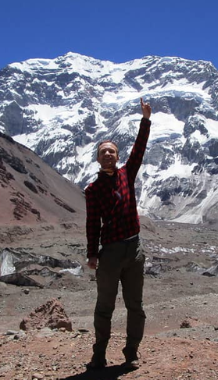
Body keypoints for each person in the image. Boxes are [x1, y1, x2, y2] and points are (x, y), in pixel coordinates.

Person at [85, 97, 152, 371]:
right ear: (98, 159)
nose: (109, 155)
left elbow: (139, 149)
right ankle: (99, 355)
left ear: (117, 155)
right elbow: (92, 223)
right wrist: (92, 253)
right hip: (110, 252)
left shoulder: (127, 173)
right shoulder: (92, 190)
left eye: (112, 151)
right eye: (104, 152)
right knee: (105, 307)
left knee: (135, 305)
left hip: (134, 249)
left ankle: (131, 352)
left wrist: (145, 120)